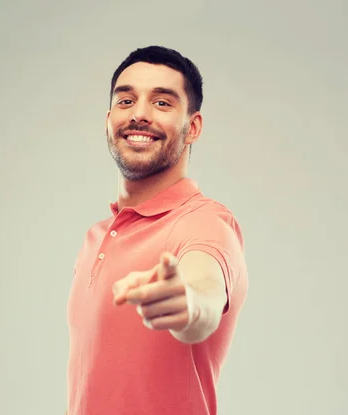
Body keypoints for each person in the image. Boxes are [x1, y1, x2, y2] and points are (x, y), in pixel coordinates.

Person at [66, 45, 249, 415]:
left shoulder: (205, 222)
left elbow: (204, 290)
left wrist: (190, 303)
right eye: (126, 100)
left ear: (192, 127)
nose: (140, 115)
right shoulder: (95, 237)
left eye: (162, 103)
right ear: (108, 119)